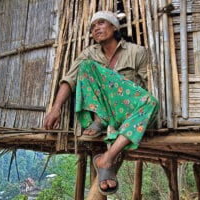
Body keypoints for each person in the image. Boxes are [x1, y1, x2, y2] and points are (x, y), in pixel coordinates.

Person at [44, 11, 159, 195]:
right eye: (92, 27)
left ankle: (107, 158)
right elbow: (69, 80)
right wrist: (56, 108)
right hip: (100, 115)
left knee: (150, 101)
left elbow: (149, 86)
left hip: (126, 113)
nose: (96, 28)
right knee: (86, 66)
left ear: (114, 27)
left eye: (101, 23)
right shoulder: (89, 54)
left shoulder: (137, 52)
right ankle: (100, 121)